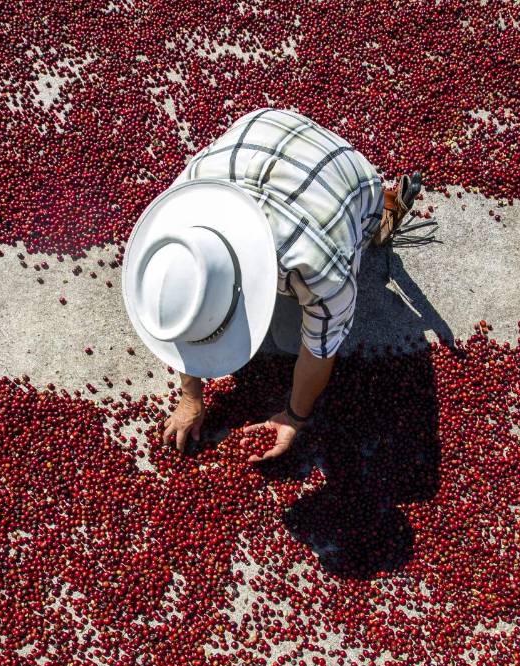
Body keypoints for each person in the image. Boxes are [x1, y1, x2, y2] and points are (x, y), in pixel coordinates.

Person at [121, 107, 421, 460]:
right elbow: (184, 305)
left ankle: (385, 209)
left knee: (289, 338)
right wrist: (191, 396)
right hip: (265, 128)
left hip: (350, 177)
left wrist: (295, 415)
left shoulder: (320, 268)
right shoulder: (182, 206)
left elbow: (320, 349)